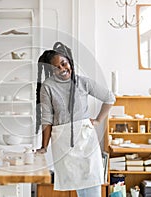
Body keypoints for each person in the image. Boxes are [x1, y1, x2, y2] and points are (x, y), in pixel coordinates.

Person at [36, 42, 116, 197]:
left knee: (91, 183)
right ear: (50, 71)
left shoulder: (82, 82)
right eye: (56, 68)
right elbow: (47, 119)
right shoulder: (47, 86)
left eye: (63, 64)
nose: (62, 69)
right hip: (63, 140)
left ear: (69, 61)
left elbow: (109, 98)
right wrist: (44, 146)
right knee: (74, 185)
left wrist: (98, 120)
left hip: (85, 139)